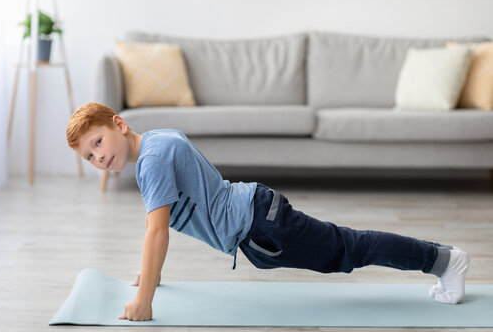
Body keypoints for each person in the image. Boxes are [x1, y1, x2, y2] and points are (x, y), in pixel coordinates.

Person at [66, 102, 469, 321]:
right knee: (345, 250)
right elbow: (183, 207)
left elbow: (157, 231)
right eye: (89, 156)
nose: (98, 157)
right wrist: (148, 274)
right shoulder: (155, 142)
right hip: (258, 217)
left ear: (118, 124)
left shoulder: (150, 162)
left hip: (261, 225)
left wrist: (145, 300)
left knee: (348, 250)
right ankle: (440, 260)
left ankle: (443, 260)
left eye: (98, 142)